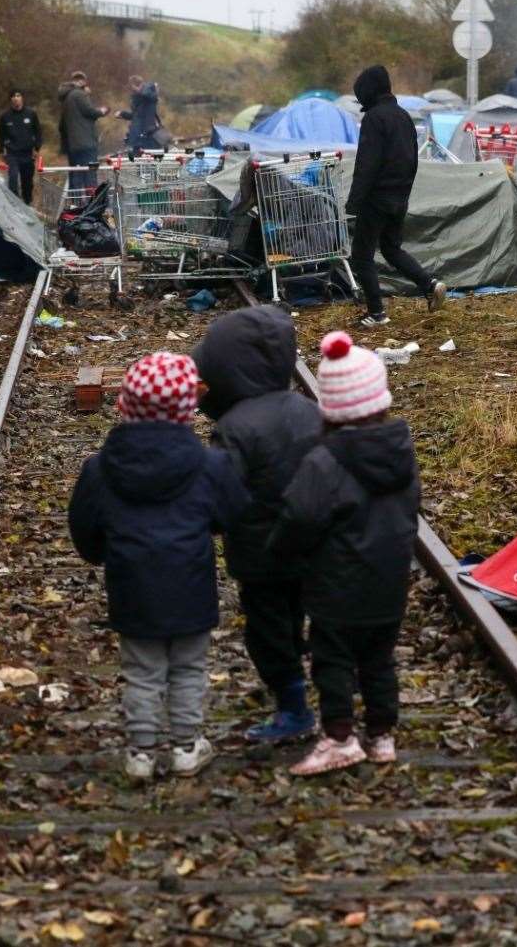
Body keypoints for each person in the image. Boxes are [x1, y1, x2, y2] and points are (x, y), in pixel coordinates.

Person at [68, 352, 248, 782]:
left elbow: (85, 527)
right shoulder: (209, 465)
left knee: (142, 672)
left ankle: (140, 753)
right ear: (188, 408)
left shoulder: (101, 468)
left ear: (125, 404)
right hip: (190, 587)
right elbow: (233, 513)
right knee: (188, 668)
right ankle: (186, 747)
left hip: (132, 588)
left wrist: (101, 554)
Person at [269, 332, 421, 776]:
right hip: (389, 582)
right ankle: (382, 735)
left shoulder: (324, 462)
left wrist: (280, 552)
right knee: (379, 658)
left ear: (331, 408)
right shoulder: (401, 452)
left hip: (336, 585)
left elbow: (299, 518)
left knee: (333, 660)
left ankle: (339, 736)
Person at [192, 306, 324, 745]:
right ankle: (314, 675)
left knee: (267, 629)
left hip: (260, 555)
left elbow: (221, 493)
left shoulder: (233, 427)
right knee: (300, 609)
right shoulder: (310, 410)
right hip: (313, 545)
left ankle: (293, 707)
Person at [346, 64, 447, 328]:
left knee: (361, 256)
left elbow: (366, 165)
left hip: (375, 199)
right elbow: (412, 159)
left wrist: (354, 201)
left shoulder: (374, 119)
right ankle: (430, 284)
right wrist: (402, 192)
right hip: (399, 197)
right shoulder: (403, 117)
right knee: (391, 249)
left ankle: (377, 313)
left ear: (368, 92)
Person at [57, 70, 109, 189]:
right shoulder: (79, 94)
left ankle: (75, 204)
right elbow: (89, 112)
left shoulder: (66, 98)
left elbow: (61, 125)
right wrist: (102, 111)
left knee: (75, 174)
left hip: (72, 145)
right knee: (90, 173)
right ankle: (92, 204)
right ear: (83, 82)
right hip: (86, 143)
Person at [0, 89, 40, 205]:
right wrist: (0, 150)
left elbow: (38, 133)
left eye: (18, 95)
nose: (16, 98)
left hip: (27, 153)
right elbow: (1, 135)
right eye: (13, 96)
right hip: (12, 154)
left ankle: (27, 203)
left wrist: (37, 148)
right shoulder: (5, 116)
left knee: (27, 183)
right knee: (13, 179)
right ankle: (15, 204)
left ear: (22, 98)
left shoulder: (31, 114)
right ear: (10, 99)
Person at [116, 75, 165, 151]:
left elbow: (146, 95)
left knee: (147, 155)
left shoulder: (147, 95)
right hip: (142, 132)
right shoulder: (140, 97)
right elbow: (137, 115)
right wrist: (123, 114)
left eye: (131, 86)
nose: (131, 89)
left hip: (146, 132)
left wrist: (146, 87)